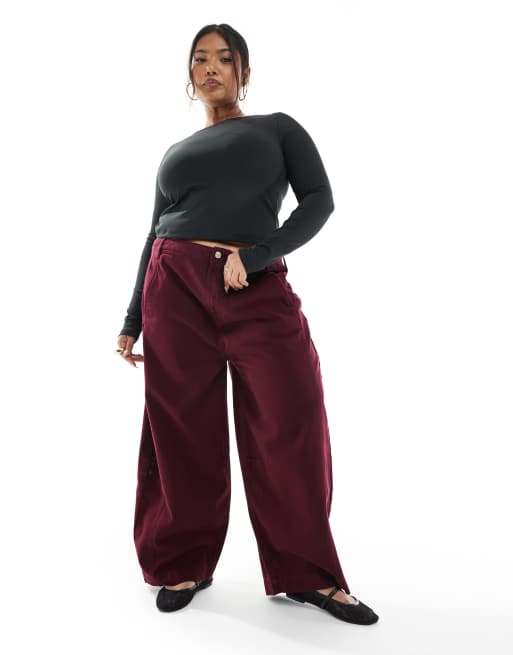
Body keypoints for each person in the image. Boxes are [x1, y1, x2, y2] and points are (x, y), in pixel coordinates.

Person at [116, 23, 379, 625]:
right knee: (181, 428)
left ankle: (309, 575)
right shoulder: (174, 153)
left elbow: (319, 200)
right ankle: (182, 562)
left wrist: (257, 256)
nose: (210, 67)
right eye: (199, 59)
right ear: (191, 76)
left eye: (224, 58)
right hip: (173, 288)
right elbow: (154, 234)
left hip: (254, 286)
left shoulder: (277, 129)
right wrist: (132, 319)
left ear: (245, 72)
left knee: (290, 420)